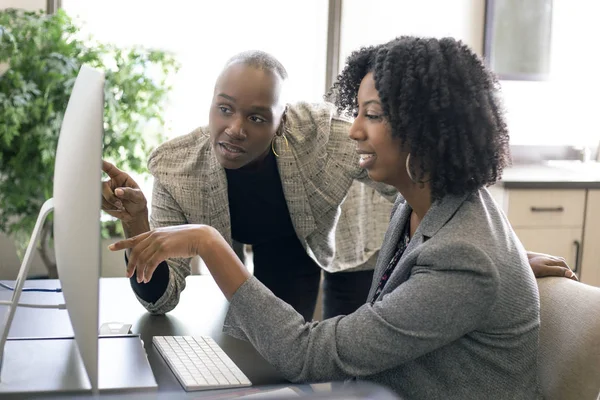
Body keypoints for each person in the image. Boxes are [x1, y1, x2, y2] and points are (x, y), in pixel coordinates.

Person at [111, 36, 545, 398]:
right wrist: (505, 265)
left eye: (370, 116)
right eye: (224, 108)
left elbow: (307, 355)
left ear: (425, 132)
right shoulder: (417, 212)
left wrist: (208, 242)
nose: (354, 129)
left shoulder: (464, 257)